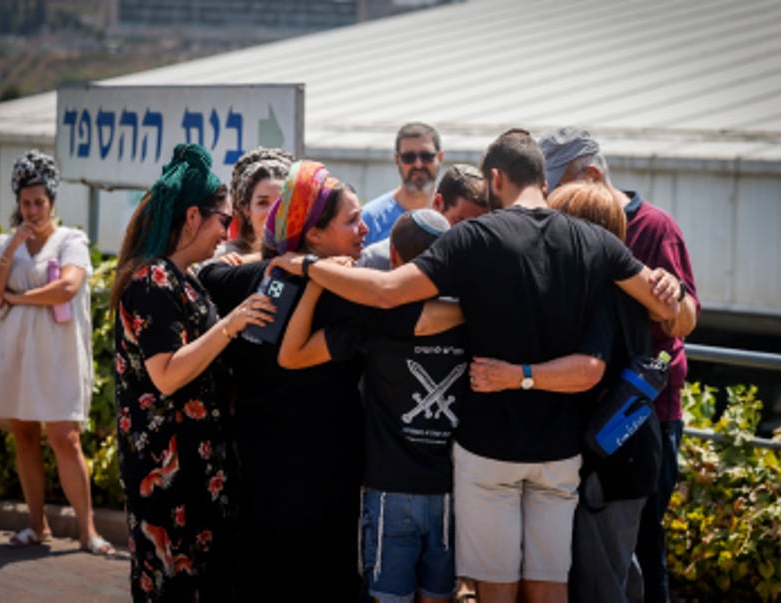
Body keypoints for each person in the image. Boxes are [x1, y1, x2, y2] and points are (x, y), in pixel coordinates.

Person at [267, 129, 681, 603]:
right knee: (550, 584)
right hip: (561, 447)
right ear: (541, 179)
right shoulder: (593, 239)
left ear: (496, 178)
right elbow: (671, 310)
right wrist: (673, 290)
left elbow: (385, 292)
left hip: (488, 448)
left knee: (496, 588)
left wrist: (307, 268)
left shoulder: (473, 238)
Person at [468, 181, 664, 602]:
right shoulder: (632, 286)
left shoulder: (601, 293)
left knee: (599, 586)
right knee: (619, 575)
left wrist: (515, 375)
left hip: (607, 464)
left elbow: (589, 369)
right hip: (630, 447)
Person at [196, 160, 374, 601]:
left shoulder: (248, 277)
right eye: (352, 220)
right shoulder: (349, 289)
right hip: (326, 471)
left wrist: (273, 259)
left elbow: (208, 275)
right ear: (313, 234)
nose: (365, 229)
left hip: (263, 464)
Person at [539, 126, 699, 603]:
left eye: (556, 186)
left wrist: (666, 292)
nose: (548, 197)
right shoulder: (560, 225)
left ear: (590, 174)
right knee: (592, 558)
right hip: (582, 415)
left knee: (643, 551)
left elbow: (686, 321)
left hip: (642, 417)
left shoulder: (655, 227)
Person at [278, 208, 465, 603]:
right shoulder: (472, 319)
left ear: (394, 257)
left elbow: (291, 355)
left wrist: (314, 281)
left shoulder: (375, 320)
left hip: (389, 491)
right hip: (451, 492)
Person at [110, 143, 268, 601]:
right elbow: (166, 374)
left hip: (193, 465)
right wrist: (233, 323)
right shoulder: (153, 281)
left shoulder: (179, 276)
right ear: (193, 217)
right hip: (170, 472)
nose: (229, 231)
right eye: (224, 220)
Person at [0, 149, 113, 556]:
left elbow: (68, 288)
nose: (33, 209)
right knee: (24, 435)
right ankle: (36, 526)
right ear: (17, 205)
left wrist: (18, 299)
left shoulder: (70, 239)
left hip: (55, 350)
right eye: (26, 203)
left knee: (65, 437)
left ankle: (87, 530)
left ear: (52, 202)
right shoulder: (7, 241)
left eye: (39, 202)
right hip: (13, 350)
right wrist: (15, 243)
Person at [360, 163, 488, 270]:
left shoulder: (483, 267)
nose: (469, 237)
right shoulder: (376, 261)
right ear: (438, 203)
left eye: (479, 228)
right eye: (460, 223)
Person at [361, 122, 445, 246]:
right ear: (397, 160)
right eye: (409, 157)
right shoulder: (370, 219)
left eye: (426, 156)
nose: (418, 165)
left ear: (440, 157)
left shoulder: (454, 215)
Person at [214, 146, 294, 260]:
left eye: (282, 204)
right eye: (263, 203)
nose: (273, 213)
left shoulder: (311, 258)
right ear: (246, 209)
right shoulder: (223, 258)